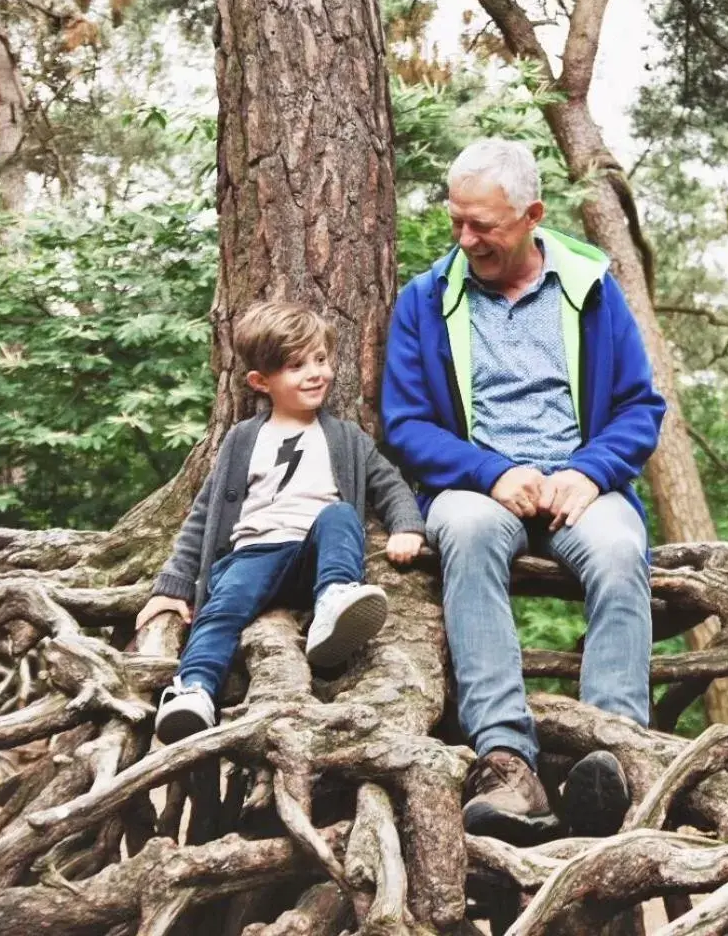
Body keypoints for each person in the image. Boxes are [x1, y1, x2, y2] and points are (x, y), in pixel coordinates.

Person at [383, 138, 666, 843]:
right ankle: (506, 762)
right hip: (476, 484)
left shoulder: (592, 289)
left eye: (484, 225)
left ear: (532, 215)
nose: (466, 238)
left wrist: (590, 472)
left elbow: (640, 409)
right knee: (469, 534)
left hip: (581, 483)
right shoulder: (425, 300)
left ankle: (607, 757)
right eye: (457, 222)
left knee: (621, 553)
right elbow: (406, 422)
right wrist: (491, 472)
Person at [140, 301, 426, 743]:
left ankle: (335, 602)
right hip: (253, 555)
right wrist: (171, 588)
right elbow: (202, 515)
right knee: (221, 610)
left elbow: (390, 486)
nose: (315, 373)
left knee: (340, 515)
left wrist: (407, 526)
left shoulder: (347, 437)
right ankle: (194, 689)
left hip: (313, 558)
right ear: (261, 381)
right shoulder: (242, 439)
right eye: (296, 366)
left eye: (320, 360)